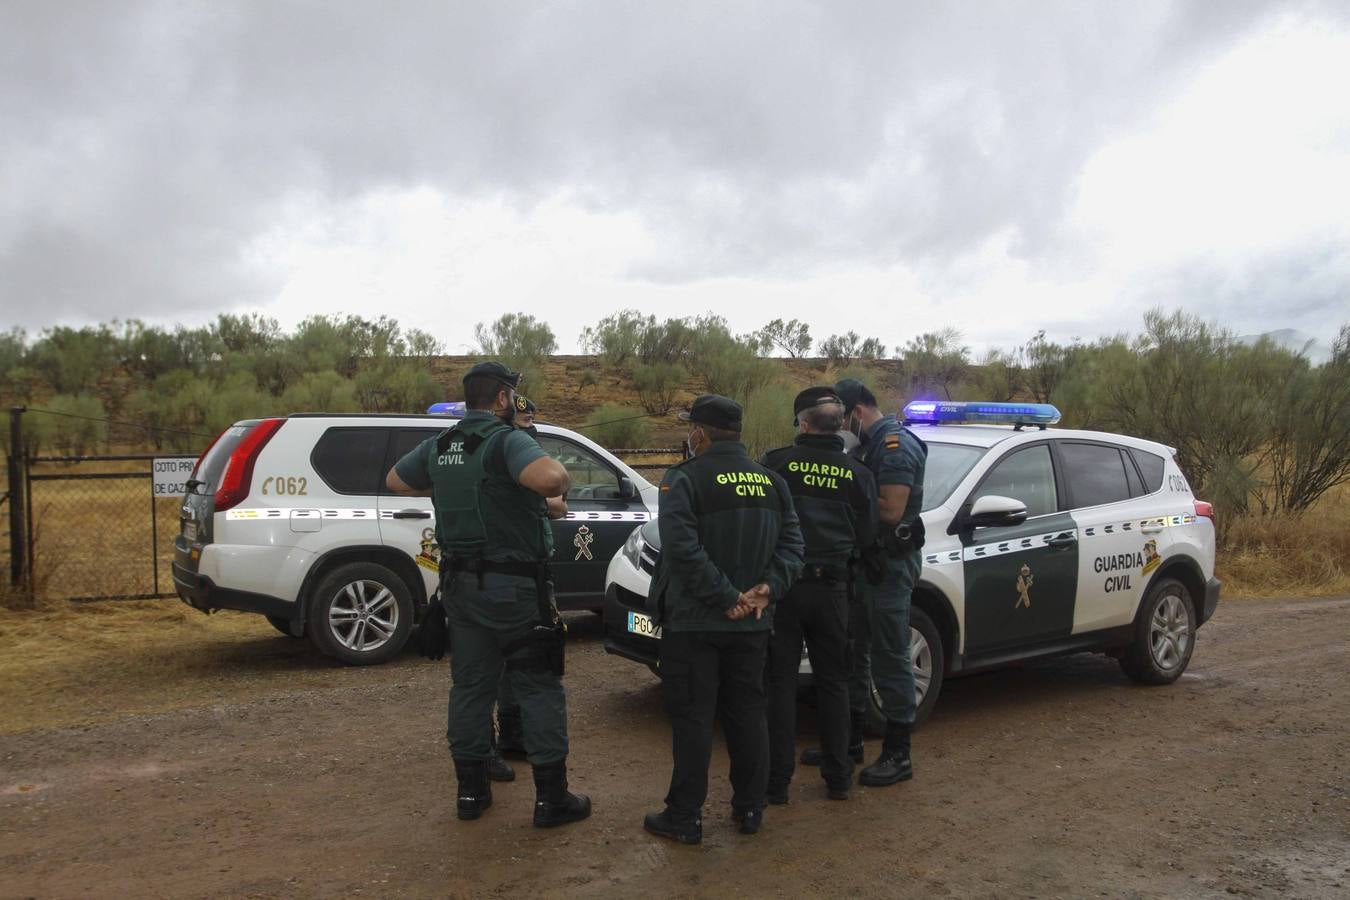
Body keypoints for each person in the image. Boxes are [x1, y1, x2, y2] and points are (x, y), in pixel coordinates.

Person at [385, 361, 591, 826]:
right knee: (538, 687)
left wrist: (457, 486)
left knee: (471, 688)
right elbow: (551, 480)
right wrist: (553, 476)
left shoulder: (441, 444)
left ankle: (471, 795)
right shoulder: (506, 439)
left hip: (461, 588)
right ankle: (551, 800)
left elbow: (396, 480)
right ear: (502, 398)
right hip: (516, 590)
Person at [643, 394, 805, 845]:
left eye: (690, 428)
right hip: (751, 622)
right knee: (748, 714)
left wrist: (725, 596)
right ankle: (750, 807)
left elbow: (681, 550)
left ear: (700, 432)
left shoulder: (685, 478)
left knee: (694, 719)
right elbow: (793, 548)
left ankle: (685, 816)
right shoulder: (771, 482)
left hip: (696, 623)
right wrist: (765, 590)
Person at [760, 388, 878, 802]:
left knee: (780, 683)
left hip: (785, 589)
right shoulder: (860, 475)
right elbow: (867, 538)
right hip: (833, 590)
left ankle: (776, 783)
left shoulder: (776, 465)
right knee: (834, 682)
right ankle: (838, 776)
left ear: (803, 424)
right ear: (842, 424)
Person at [830, 377, 927, 787]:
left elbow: (890, 509)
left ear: (856, 411)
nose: (839, 427)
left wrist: (840, 500)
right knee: (855, 653)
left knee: (890, 657)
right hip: (865, 565)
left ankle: (897, 751)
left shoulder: (894, 445)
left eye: (840, 418)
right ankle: (850, 743)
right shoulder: (869, 445)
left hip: (889, 567)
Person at [492, 394, 548, 776]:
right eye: (524, 419)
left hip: (526, 566)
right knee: (523, 663)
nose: (528, 425)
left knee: (503, 665)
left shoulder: (525, 446)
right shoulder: (507, 450)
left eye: (531, 420)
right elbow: (555, 498)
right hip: (515, 571)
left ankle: (510, 736)